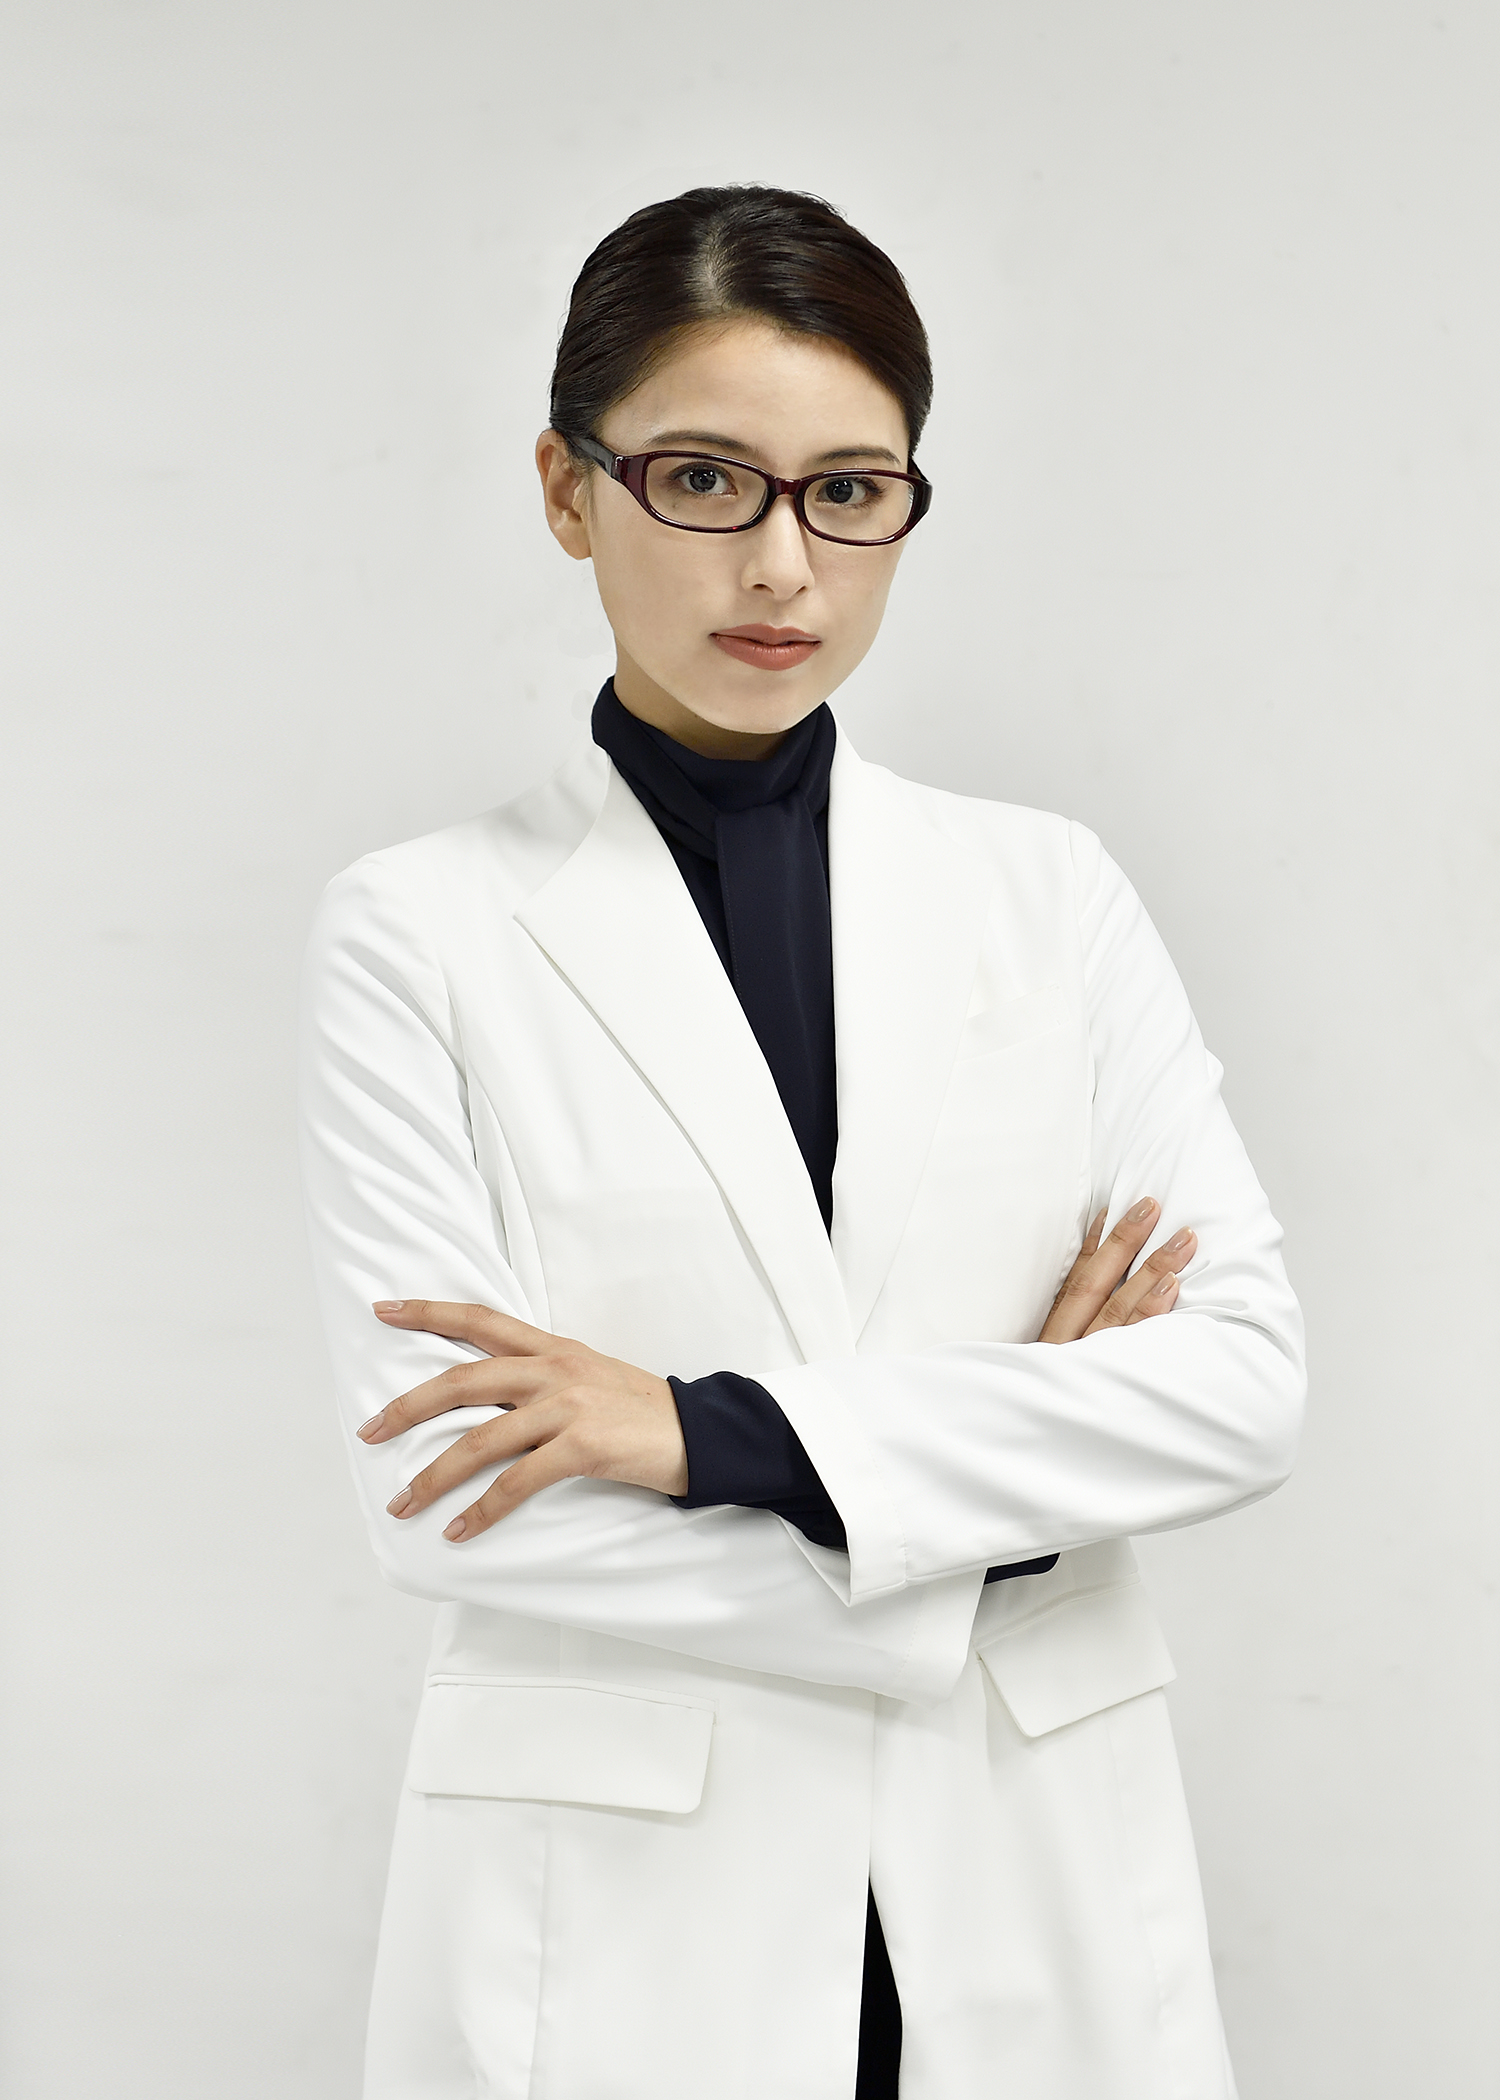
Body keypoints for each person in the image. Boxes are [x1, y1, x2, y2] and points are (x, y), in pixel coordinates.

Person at [299, 185, 1304, 2100]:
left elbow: (1242, 1385)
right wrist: (1013, 1500)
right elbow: (447, 1487)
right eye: (704, 480)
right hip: (627, 1908)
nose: (781, 566)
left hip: (1028, 1856)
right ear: (567, 487)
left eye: (849, 491)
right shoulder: (415, 932)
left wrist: (707, 1436)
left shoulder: (1051, 895)